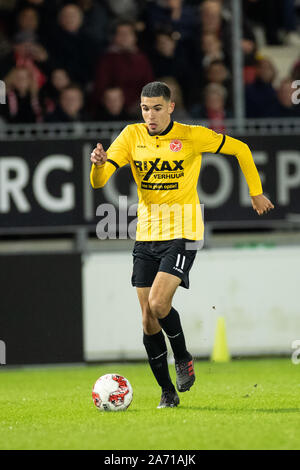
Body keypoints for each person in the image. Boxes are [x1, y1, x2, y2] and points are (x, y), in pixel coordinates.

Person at [90, 81, 274, 409]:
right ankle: (167, 392)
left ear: (170, 107)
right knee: (147, 318)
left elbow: (241, 150)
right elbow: (100, 181)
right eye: (145, 109)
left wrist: (255, 191)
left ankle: (183, 356)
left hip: (184, 232)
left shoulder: (191, 135)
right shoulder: (132, 136)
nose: (150, 115)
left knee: (160, 304)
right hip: (146, 235)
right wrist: (99, 164)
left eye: (157, 108)